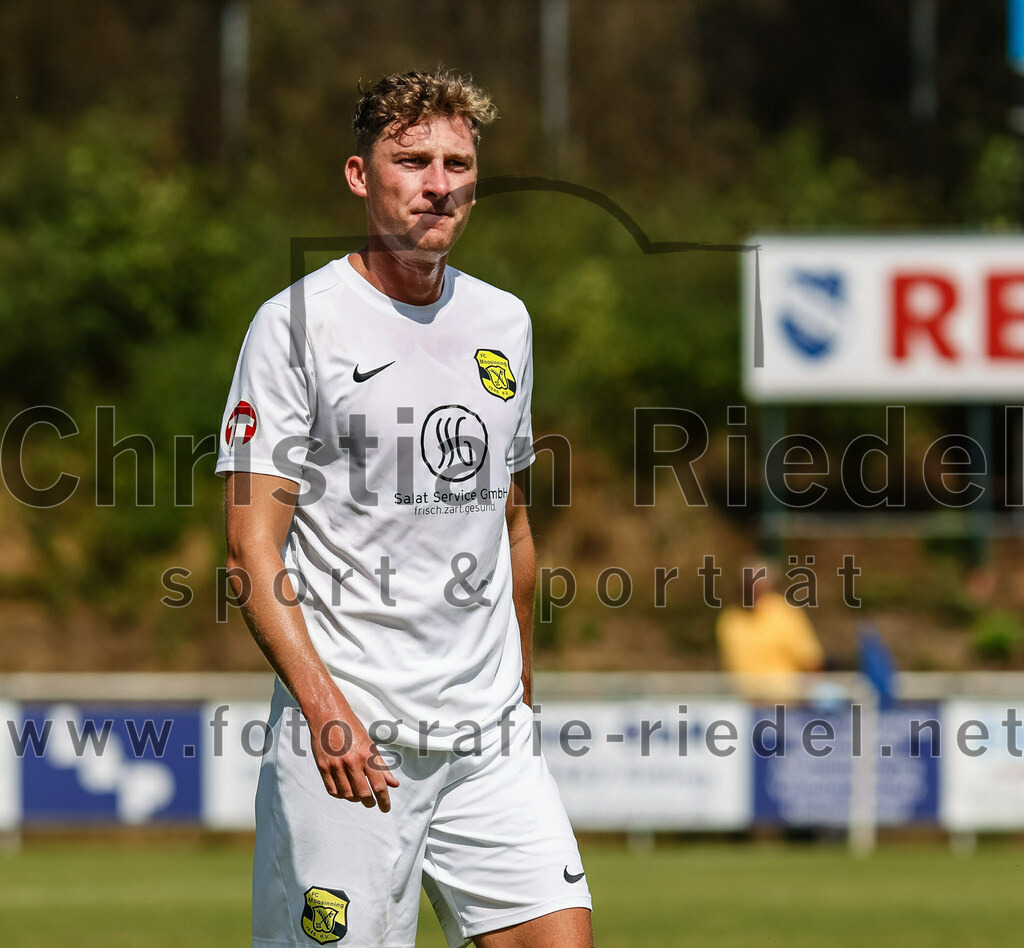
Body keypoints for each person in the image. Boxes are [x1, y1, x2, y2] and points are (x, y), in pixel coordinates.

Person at [216, 69, 593, 948]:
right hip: (351, 738)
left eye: (457, 164)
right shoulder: (297, 323)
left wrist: (520, 699)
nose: (438, 184)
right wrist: (324, 711)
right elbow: (249, 550)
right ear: (360, 176)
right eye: (413, 161)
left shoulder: (505, 322)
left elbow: (511, 528)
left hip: (489, 738)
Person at [715, 561, 824, 702]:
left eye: (759, 582)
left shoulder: (786, 614)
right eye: (749, 582)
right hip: (744, 705)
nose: (753, 587)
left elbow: (811, 662)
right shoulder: (730, 619)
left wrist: (805, 699)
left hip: (784, 703)